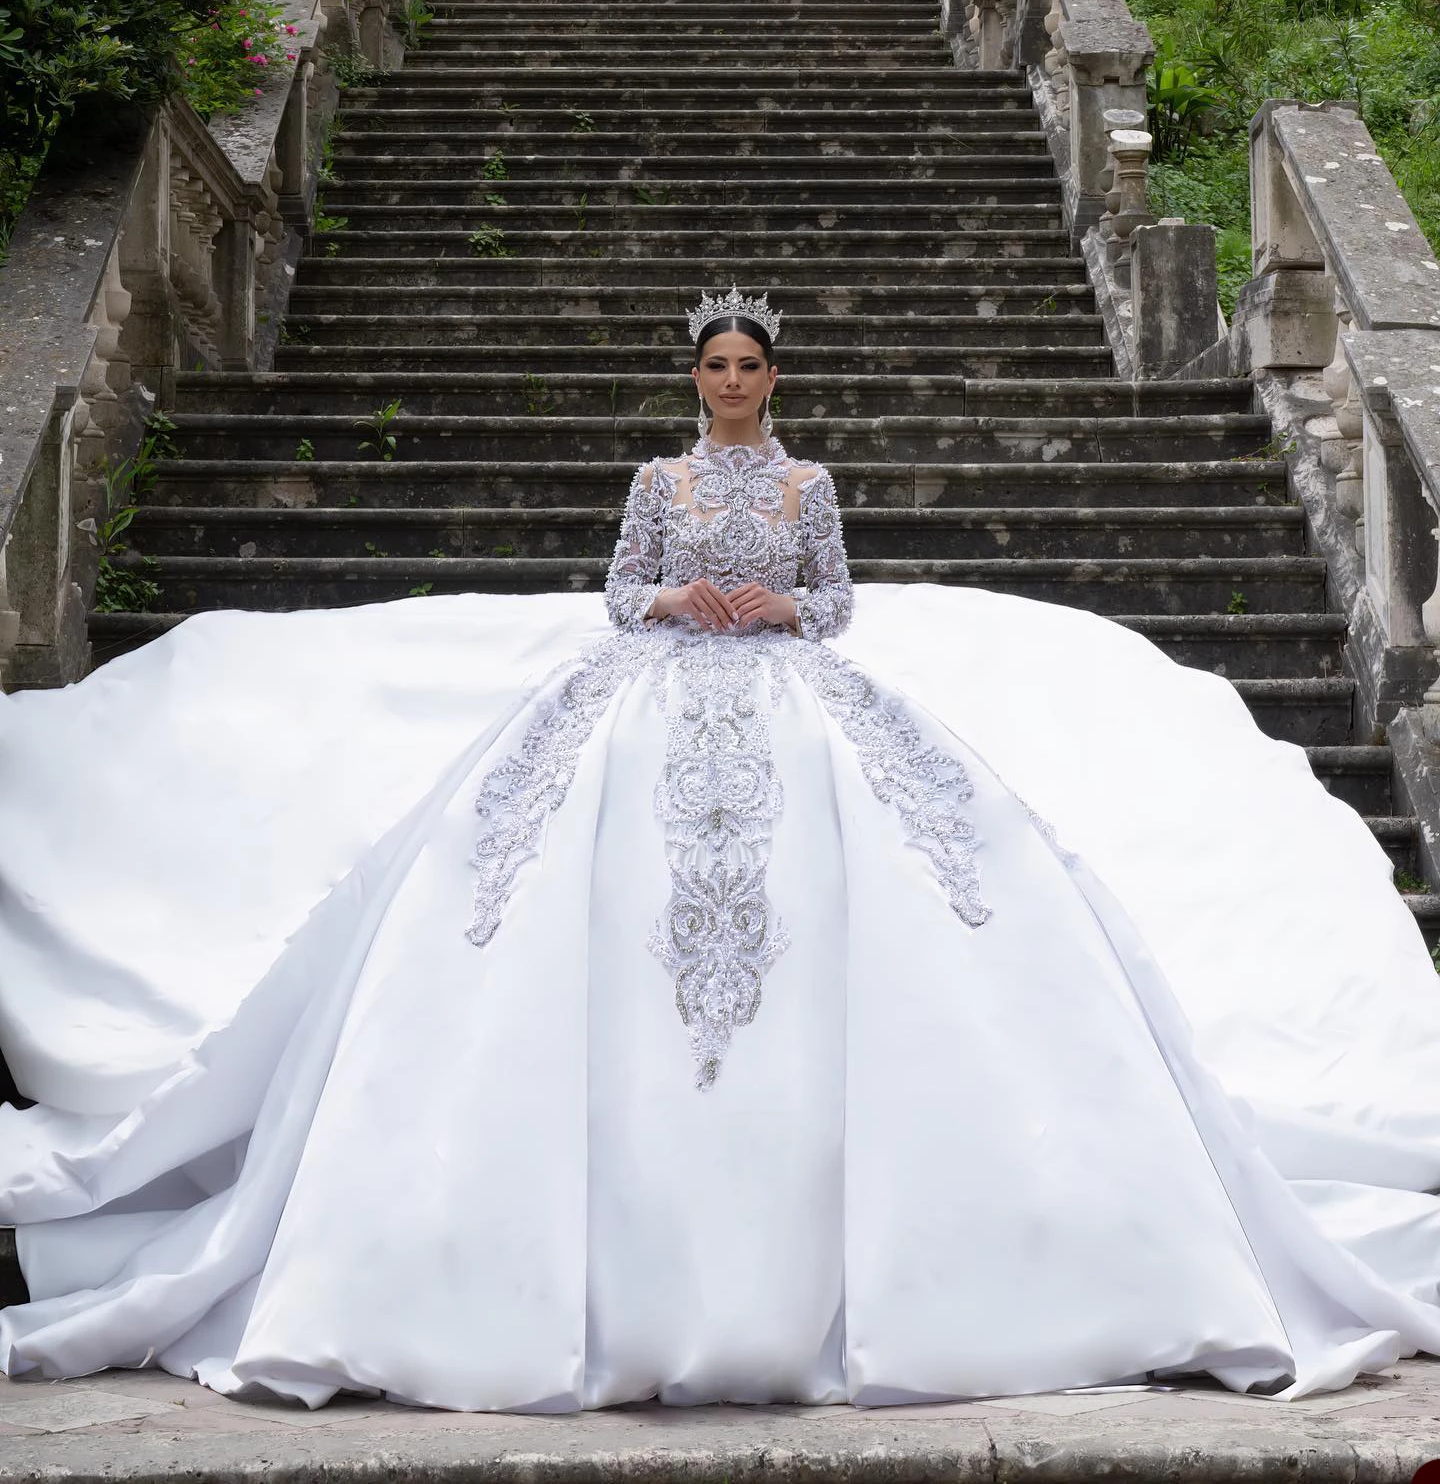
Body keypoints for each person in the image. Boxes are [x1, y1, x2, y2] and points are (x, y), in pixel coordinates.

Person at [2, 288, 1440, 1411]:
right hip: (657, 697)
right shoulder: (658, 477)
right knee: (539, 905)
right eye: (717, 366)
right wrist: (678, 592)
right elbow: (619, 589)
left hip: (792, 700)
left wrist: (782, 614)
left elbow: (842, 599)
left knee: (910, 899)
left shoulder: (808, 486)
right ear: (695, 377)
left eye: (750, 366)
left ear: (774, 379)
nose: (733, 383)